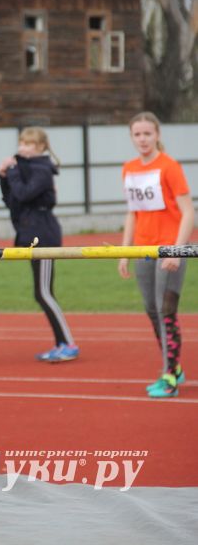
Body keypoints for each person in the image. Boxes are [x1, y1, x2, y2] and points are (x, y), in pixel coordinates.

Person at [118, 112, 192, 398]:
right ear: (132, 137)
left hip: (169, 248)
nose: (143, 139)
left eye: (148, 133)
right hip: (142, 249)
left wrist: (176, 248)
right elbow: (133, 212)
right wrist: (124, 252)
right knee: (152, 309)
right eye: (137, 134)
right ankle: (174, 366)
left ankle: (169, 375)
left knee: (166, 311)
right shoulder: (129, 168)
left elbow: (188, 212)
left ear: (157, 134)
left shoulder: (169, 166)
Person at [0, 127, 78, 362]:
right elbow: (12, 200)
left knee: (43, 292)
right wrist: (2, 177)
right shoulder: (26, 168)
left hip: (43, 235)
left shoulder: (42, 170)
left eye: (30, 144)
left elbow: (24, 194)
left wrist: (11, 172)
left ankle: (68, 343)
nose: (23, 147)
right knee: (42, 292)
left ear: (41, 147)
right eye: (22, 142)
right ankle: (62, 343)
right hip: (30, 233)